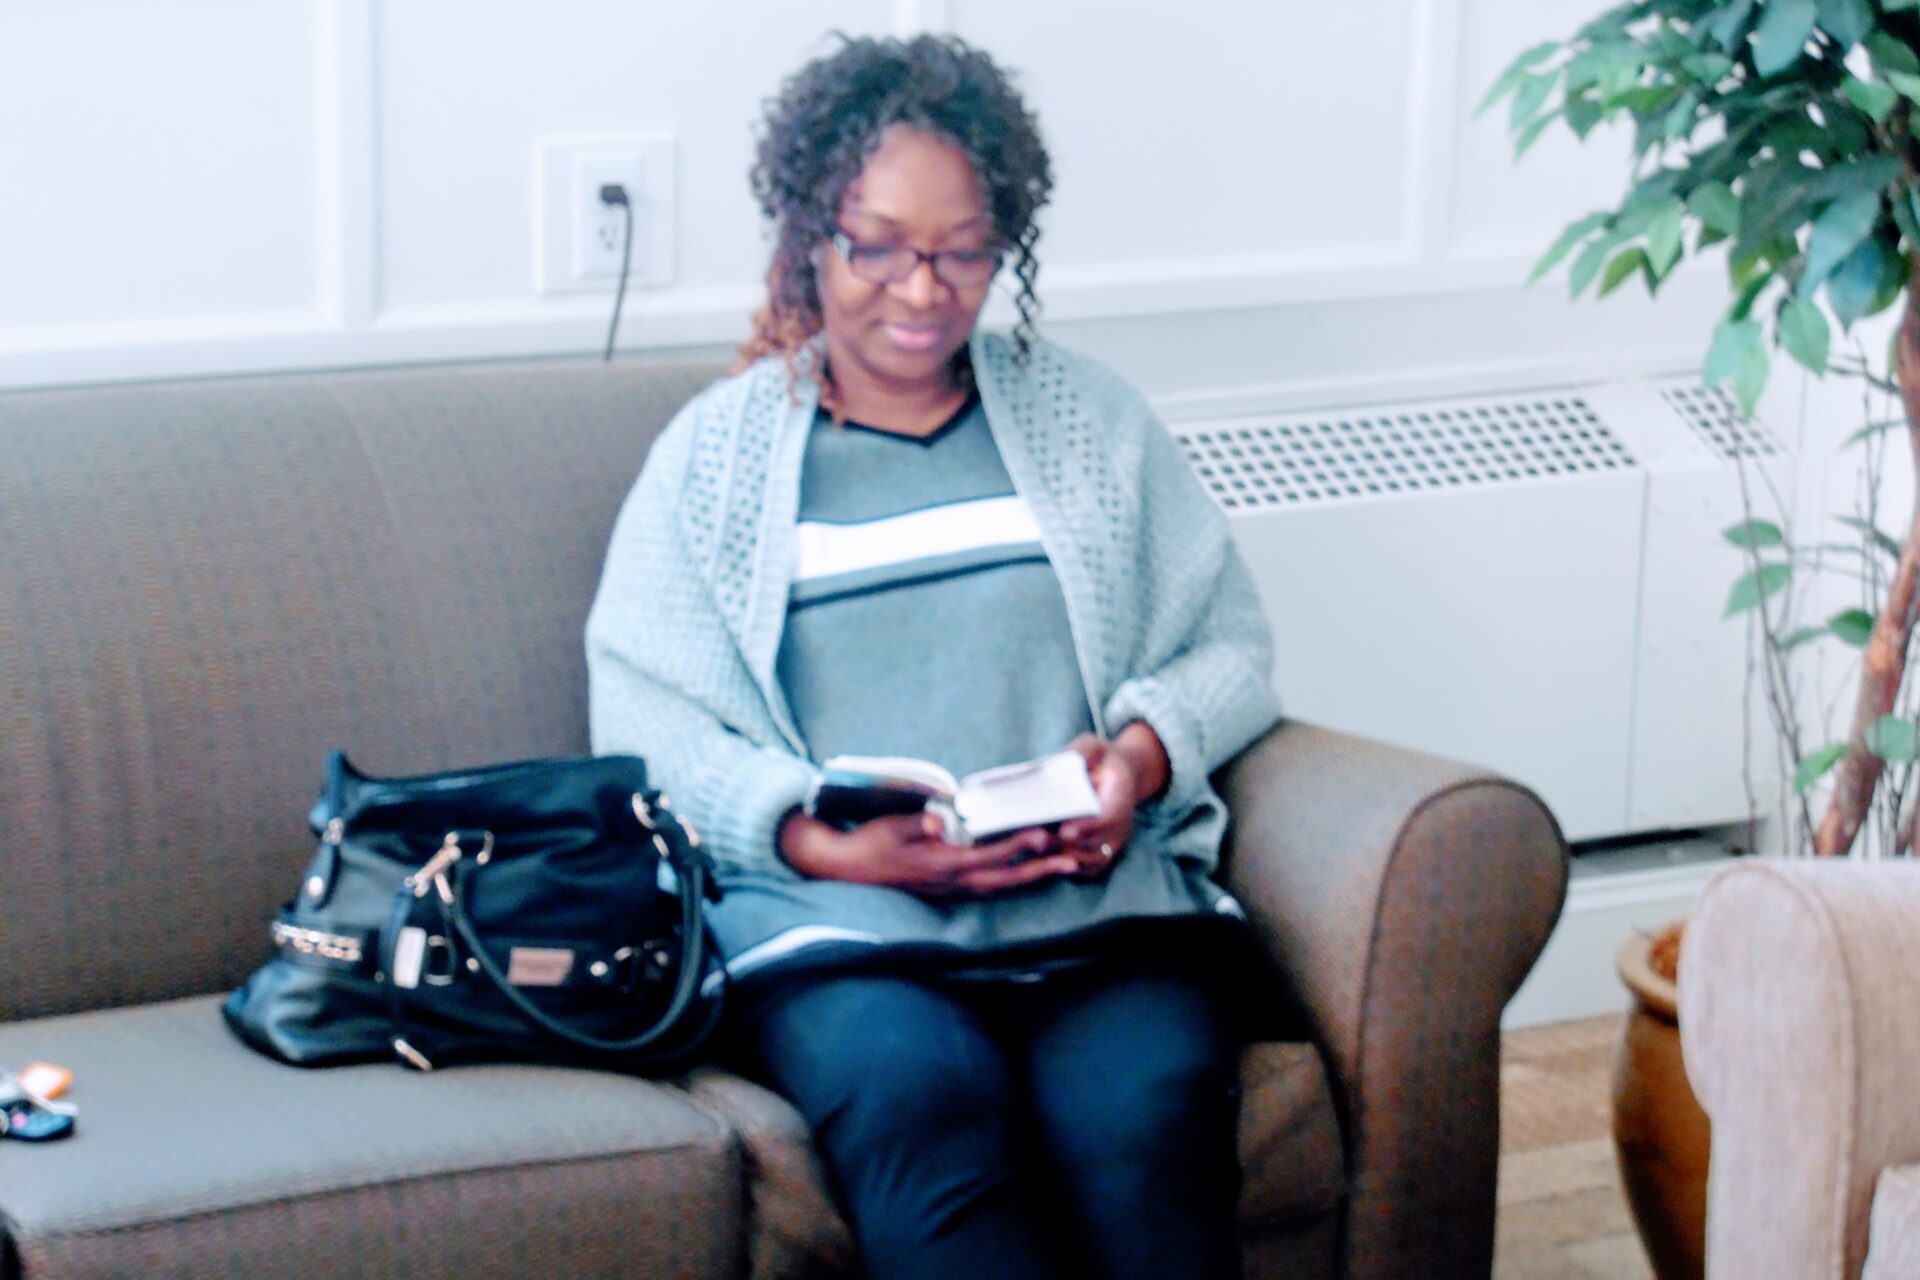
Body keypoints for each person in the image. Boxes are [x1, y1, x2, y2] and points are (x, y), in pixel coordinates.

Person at [586, 32, 1281, 1280]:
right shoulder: (719, 457)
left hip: (1092, 909)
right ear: (811, 235)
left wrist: (1136, 759)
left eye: (964, 251)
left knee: (1149, 1110)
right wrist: (814, 839)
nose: (922, 290)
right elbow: (650, 726)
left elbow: (1229, 641)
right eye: (881, 247)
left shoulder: (1090, 423)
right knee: (918, 1100)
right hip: (845, 926)